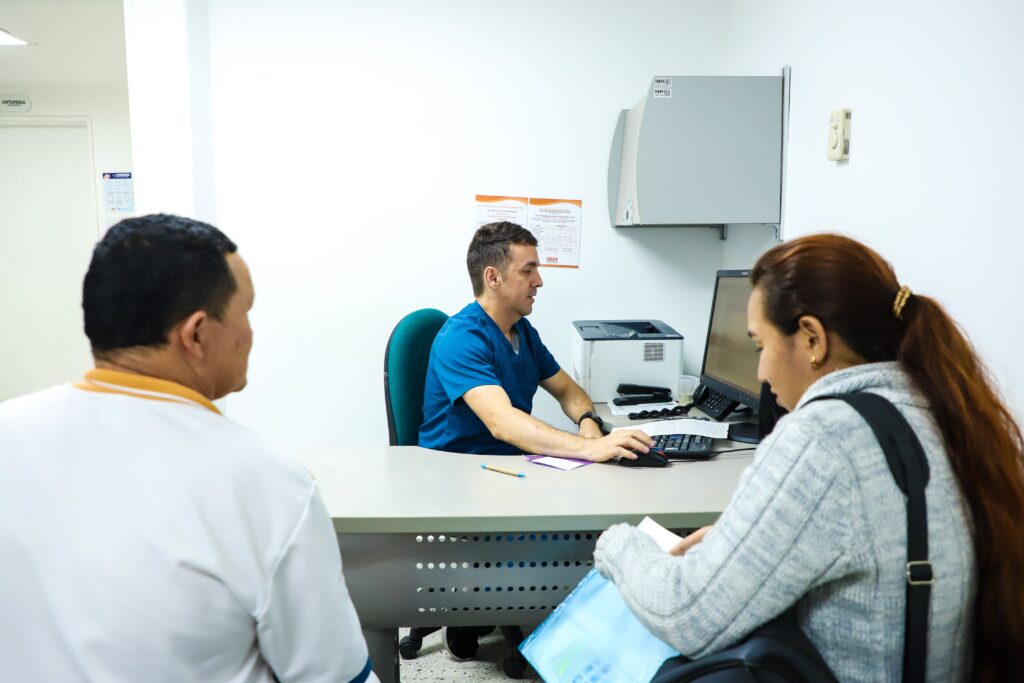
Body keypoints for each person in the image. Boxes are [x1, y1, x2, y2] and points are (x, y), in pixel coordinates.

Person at [593, 233, 1024, 682]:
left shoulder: (824, 436)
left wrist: (619, 544)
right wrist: (748, 538)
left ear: (812, 338)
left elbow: (687, 614)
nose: (759, 371)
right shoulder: (937, 407)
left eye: (761, 346)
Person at [0, 214, 378, 683]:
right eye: (247, 312)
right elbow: (332, 674)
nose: (250, 333)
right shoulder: (263, 480)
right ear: (197, 334)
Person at [419, 221, 652, 461]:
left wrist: (588, 422)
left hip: (506, 464)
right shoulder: (462, 338)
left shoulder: (522, 331)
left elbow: (567, 390)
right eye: (527, 271)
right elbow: (502, 422)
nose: (539, 281)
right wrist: (587, 449)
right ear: (493, 277)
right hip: (456, 470)